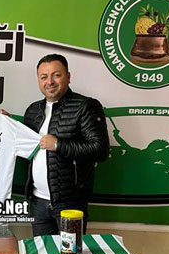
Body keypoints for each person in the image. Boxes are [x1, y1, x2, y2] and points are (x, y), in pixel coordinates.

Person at [23, 54, 109, 236]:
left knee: (70, 253)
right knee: (43, 252)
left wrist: (59, 145)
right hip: (38, 202)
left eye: (56, 75)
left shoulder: (86, 106)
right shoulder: (32, 110)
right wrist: (3, 122)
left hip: (71, 204)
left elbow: (100, 149)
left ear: (68, 77)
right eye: (44, 77)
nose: (50, 82)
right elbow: (22, 145)